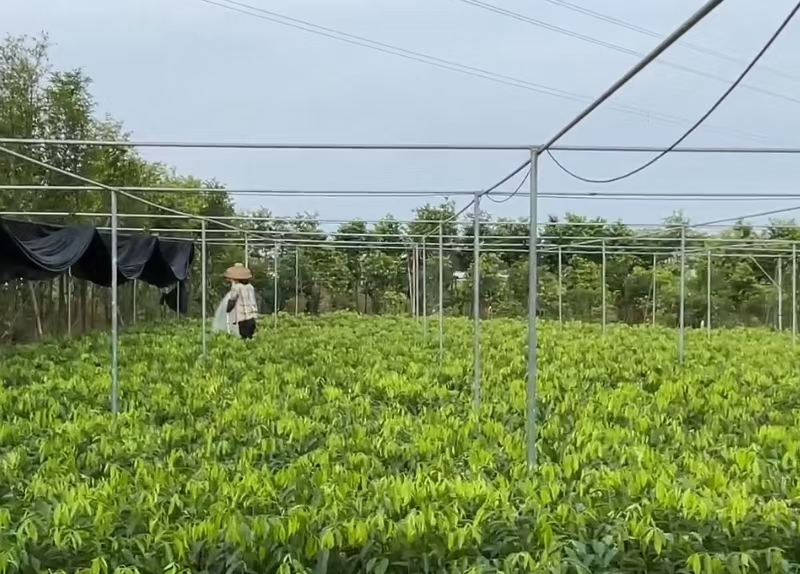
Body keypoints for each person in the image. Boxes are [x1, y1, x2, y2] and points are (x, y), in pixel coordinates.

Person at [224, 263, 258, 339]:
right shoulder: (250, 287)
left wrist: (228, 308)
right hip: (252, 315)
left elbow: (233, 299)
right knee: (250, 336)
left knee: (244, 336)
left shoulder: (236, 287)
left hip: (243, 316)